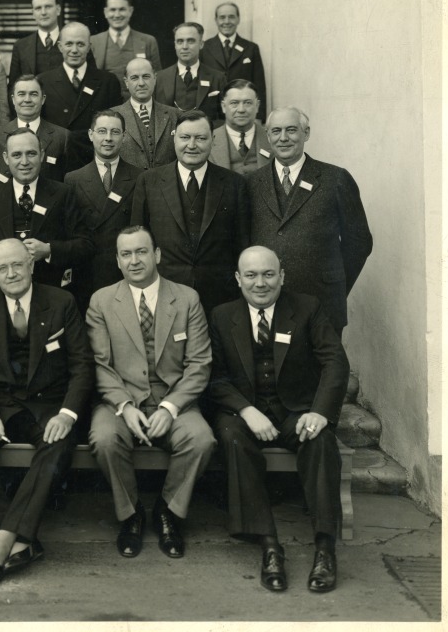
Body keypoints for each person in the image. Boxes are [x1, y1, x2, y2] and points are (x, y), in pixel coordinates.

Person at [208, 246, 350, 593]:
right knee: (232, 437)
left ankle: (325, 550)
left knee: (320, 440)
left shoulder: (307, 308)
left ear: (282, 276)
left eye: (268, 274)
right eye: (251, 275)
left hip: (295, 411)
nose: (260, 283)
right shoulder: (222, 316)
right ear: (238, 279)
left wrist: (319, 411)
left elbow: (335, 362)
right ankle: (269, 546)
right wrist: (246, 410)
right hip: (245, 411)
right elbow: (214, 377)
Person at [0, 239, 93, 582]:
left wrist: (66, 414)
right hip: (4, 405)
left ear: (31, 264)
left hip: (49, 406)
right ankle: (16, 535)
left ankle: (2, 539)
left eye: (17, 264)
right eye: (2, 268)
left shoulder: (61, 301)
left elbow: (82, 366)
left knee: (57, 442)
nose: (11, 273)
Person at [86, 226, 215, 560]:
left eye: (141, 252)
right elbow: (99, 364)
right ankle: (131, 514)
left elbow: (199, 363)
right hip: (119, 400)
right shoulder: (102, 301)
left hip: (174, 399)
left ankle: (167, 511)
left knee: (201, 440)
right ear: (117, 261)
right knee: (104, 439)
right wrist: (125, 406)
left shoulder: (186, 298)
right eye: (126, 254)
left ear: (157, 255)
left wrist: (170, 408)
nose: (134, 261)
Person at [246, 107, 372, 335]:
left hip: (323, 304)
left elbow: (359, 242)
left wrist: (334, 283)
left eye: (291, 130)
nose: (283, 138)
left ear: (306, 133)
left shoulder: (336, 179)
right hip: (269, 304)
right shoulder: (251, 184)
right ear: (268, 136)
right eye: (276, 131)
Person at [131, 109, 250, 317]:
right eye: (185, 137)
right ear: (174, 138)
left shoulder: (234, 184)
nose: (192, 145)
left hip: (221, 297)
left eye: (200, 138)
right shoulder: (149, 181)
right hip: (164, 294)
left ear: (213, 140)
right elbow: (139, 241)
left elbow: (243, 244)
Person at [0, 128, 94, 295]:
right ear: (6, 158)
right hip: (4, 295)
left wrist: (49, 250)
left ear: (42, 155)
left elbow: (85, 245)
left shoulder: (63, 194)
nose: (24, 162)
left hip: (52, 294)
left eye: (31, 154)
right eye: (17, 155)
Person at [65, 109, 141, 308]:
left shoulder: (140, 177)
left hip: (125, 271)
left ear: (124, 136)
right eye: (102, 131)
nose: (108, 138)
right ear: (91, 135)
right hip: (88, 274)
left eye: (115, 132)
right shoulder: (73, 179)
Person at [37, 21, 123, 170]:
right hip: (56, 162)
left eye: (80, 44)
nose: (74, 50)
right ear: (60, 46)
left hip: (94, 162)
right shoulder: (43, 81)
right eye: (69, 44)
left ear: (89, 47)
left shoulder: (108, 81)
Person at [89, 0, 163, 100]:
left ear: (130, 11)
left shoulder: (148, 41)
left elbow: (158, 80)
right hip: (105, 104)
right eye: (112, 10)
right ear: (105, 12)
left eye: (122, 9)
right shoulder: (93, 42)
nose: (117, 15)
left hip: (139, 103)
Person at [0, 75, 69, 182]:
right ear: (13, 99)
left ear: (43, 99)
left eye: (33, 94)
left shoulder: (63, 137)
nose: (27, 100)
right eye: (21, 94)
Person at [200, 2, 267, 117]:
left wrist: (259, 116)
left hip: (242, 112)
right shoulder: (204, 48)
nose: (226, 21)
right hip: (212, 114)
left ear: (238, 19)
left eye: (231, 17)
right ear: (216, 20)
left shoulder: (251, 48)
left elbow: (259, 85)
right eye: (222, 17)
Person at [153, 23, 227, 125]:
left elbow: (224, 119)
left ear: (201, 44)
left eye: (190, 41)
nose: (184, 47)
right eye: (180, 41)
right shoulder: (159, 78)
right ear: (175, 45)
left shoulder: (218, 78)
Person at [114, 57, 180, 171]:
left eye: (146, 76)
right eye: (134, 78)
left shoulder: (174, 115)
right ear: (126, 82)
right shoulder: (113, 116)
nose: (141, 83)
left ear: (155, 78)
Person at [7, 0, 65, 99]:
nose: (43, 12)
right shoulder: (20, 46)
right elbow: (13, 89)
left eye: (48, 7)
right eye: (38, 8)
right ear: (33, 14)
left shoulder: (74, 42)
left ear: (58, 9)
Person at [208, 80, 272, 174]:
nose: (241, 110)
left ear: (257, 106)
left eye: (247, 103)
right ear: (223, 107)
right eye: (234, 103)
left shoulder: (272, 138)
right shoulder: (208, 140)